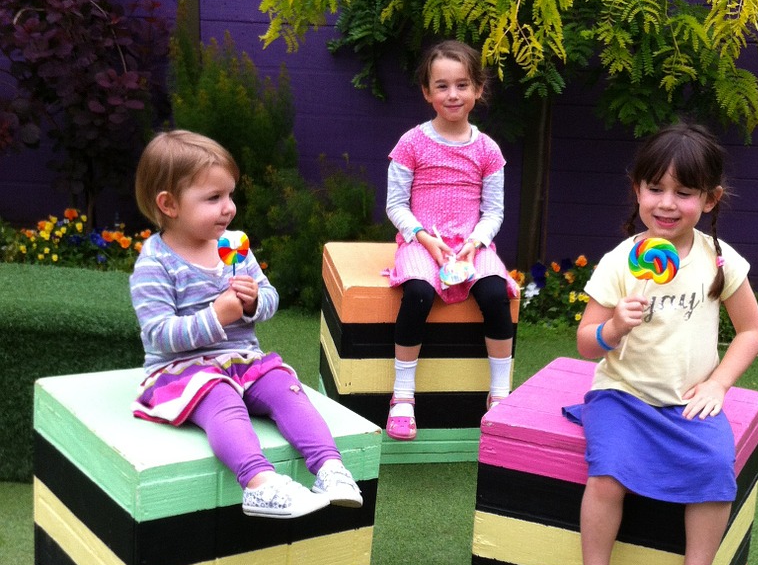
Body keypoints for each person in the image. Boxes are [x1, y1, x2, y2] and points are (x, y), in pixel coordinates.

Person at [567, 122, 758, 565]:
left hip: (686, 402)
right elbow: (587, 343)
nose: (668, 203)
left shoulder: (719, 261)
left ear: (710, 198)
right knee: (606, 475)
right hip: (622, 395)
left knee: (715, 472)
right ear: (637, 191)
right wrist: (614, 329)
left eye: (684, 192)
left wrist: (719, 382)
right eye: (656, 188)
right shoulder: (620, 262)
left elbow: (751, 330)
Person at [129, 129, 363, 519]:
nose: (229, 208)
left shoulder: (234, 246)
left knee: (286, 388)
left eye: (229, 195)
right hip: (181, 371)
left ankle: (329, 468)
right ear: (168, 204)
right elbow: (158, 334)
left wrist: (254, 301)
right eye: (213, 198)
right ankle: (259, 484)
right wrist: (216, 317)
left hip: (242, 359)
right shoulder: (156, 263)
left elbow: (270, 298)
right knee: (223, 401)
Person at [384, 39, 518, 440]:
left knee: (497, 296)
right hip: (421, 242)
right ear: (427, 93)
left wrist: (475, 243)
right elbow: (395, 205)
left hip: (470, 246)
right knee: (419, 294)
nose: (452, 94)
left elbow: (494, 211)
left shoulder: (488, 150)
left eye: (462, 85)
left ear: (478, 89)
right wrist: (424, 238)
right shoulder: (411, 143)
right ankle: (403, 396)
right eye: (441, 86)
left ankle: (500, 395)